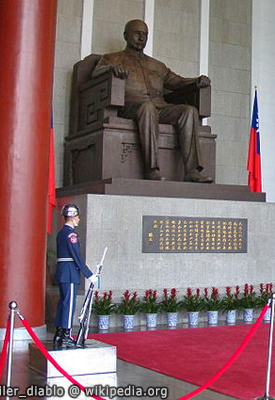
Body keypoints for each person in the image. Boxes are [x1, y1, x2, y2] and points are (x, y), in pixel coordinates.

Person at [93, 19, 213, 183]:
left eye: (144, 34)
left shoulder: (157, 65)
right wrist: (111, 69)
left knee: (189, 111)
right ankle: (151, 169)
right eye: (137, 33)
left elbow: (177, 82)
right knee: (147, 108)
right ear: (126, 35)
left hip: (160, 108)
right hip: (130, 107)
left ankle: (192, 171)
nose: (141, 38)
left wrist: (196, 81)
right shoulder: (113, 58)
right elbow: (95, 73)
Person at [53, 204, 97, 348]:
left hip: (63, 272)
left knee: (63, 303)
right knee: (68, 305)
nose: (78, 219)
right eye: (77, 217)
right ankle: (66, 334)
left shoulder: (61, 233)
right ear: (72, 217)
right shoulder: (71, 235)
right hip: (70, 273)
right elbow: (76, 257)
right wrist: (89, 275)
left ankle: (59, 333)